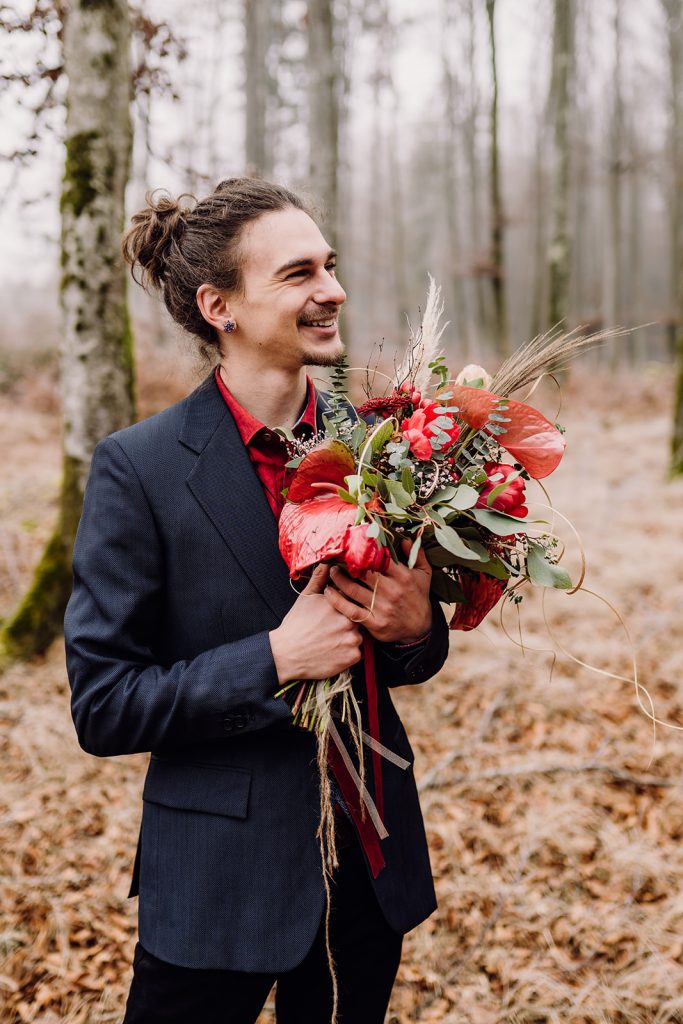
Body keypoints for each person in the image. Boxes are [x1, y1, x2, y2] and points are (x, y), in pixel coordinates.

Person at [64, 177, 450, 1024]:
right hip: (213, 879)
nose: (332, 290)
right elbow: (103, 706)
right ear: (220, 306)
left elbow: (406, 658)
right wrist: (274, 659)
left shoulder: (383, 444)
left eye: (331, 266)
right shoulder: (141, 468)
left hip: (366, 865)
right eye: (298, 273)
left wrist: (417, 629)